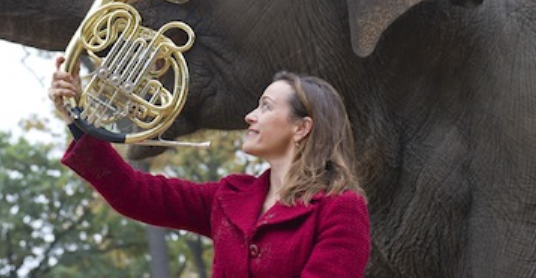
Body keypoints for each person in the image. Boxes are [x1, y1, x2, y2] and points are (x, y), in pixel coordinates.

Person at [50, 55, 371, 277]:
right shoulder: (230, 196)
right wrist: (77, 118)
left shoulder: (341, 209)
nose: (250, 116)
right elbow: (134, 193)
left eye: (266, 107)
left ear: (301, 128)